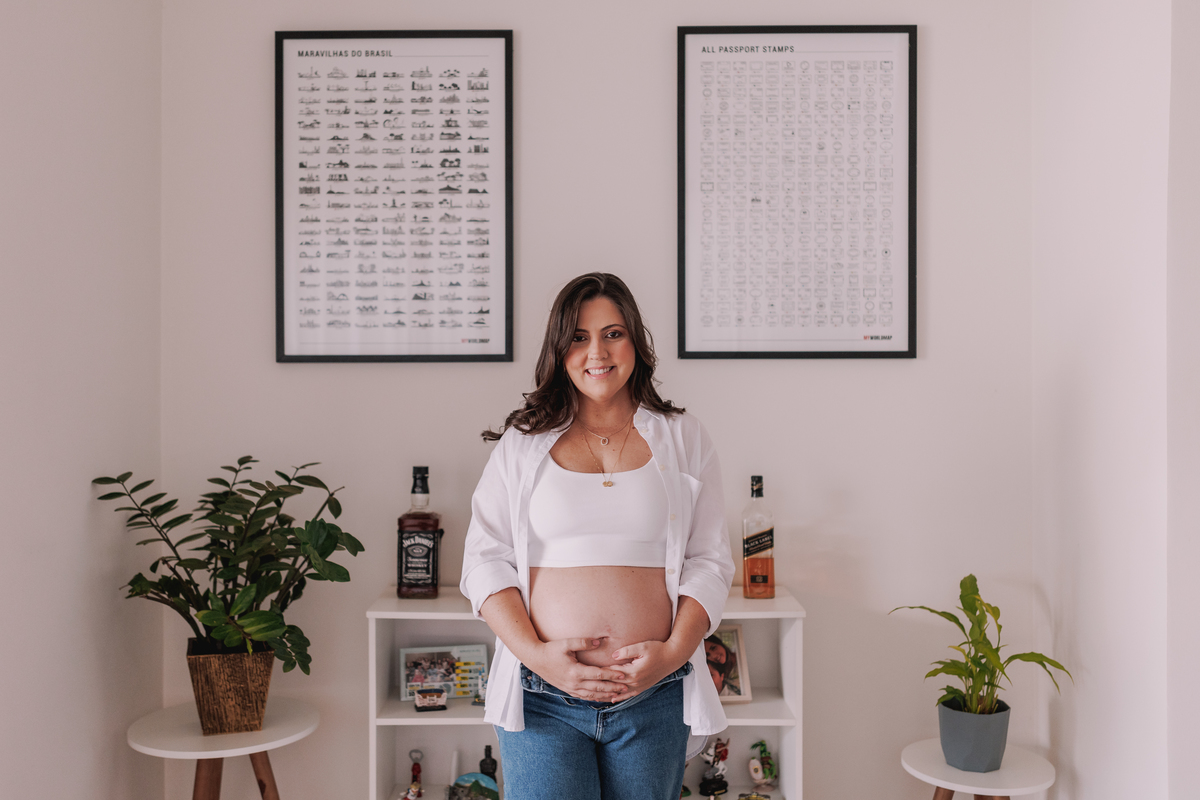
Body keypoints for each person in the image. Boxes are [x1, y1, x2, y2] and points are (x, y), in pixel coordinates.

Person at [460, 273, 735, 800]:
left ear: (636, 340)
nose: (597, 352)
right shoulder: (522, 444)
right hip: (543, 698)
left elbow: (710, 560)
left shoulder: (683, 436)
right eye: (579, 337)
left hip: (654, 695)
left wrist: (674, 652)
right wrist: (540, 659)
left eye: (613, 333)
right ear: (559, 349)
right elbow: (484, 561)